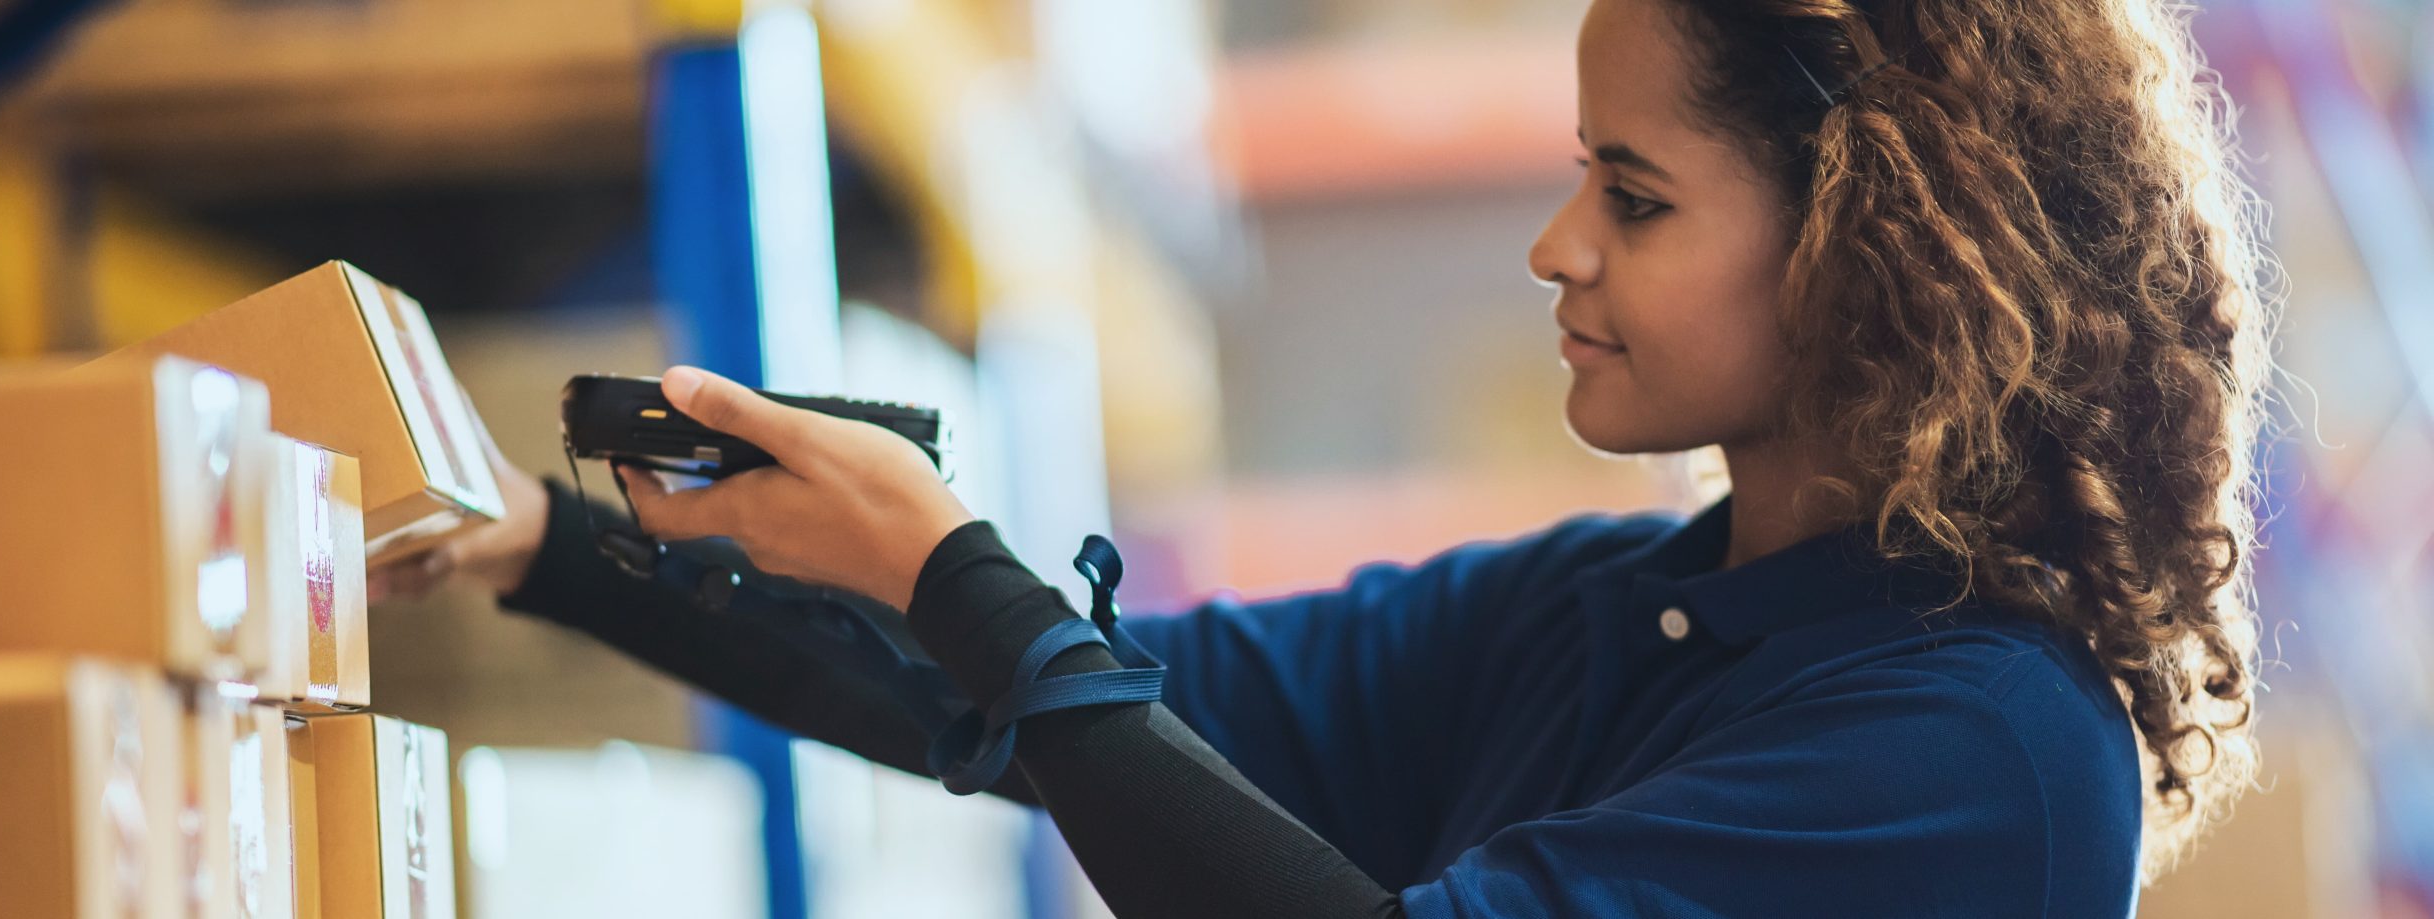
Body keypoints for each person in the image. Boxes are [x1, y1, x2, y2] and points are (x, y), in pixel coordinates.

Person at [379, 0, 2274, 914]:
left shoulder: (1977, 763)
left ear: (1873, 244)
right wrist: (543, 541)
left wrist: (957, 577)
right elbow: (1103, 713)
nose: (1559, 246)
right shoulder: (1641, 606)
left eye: (1633, 195)